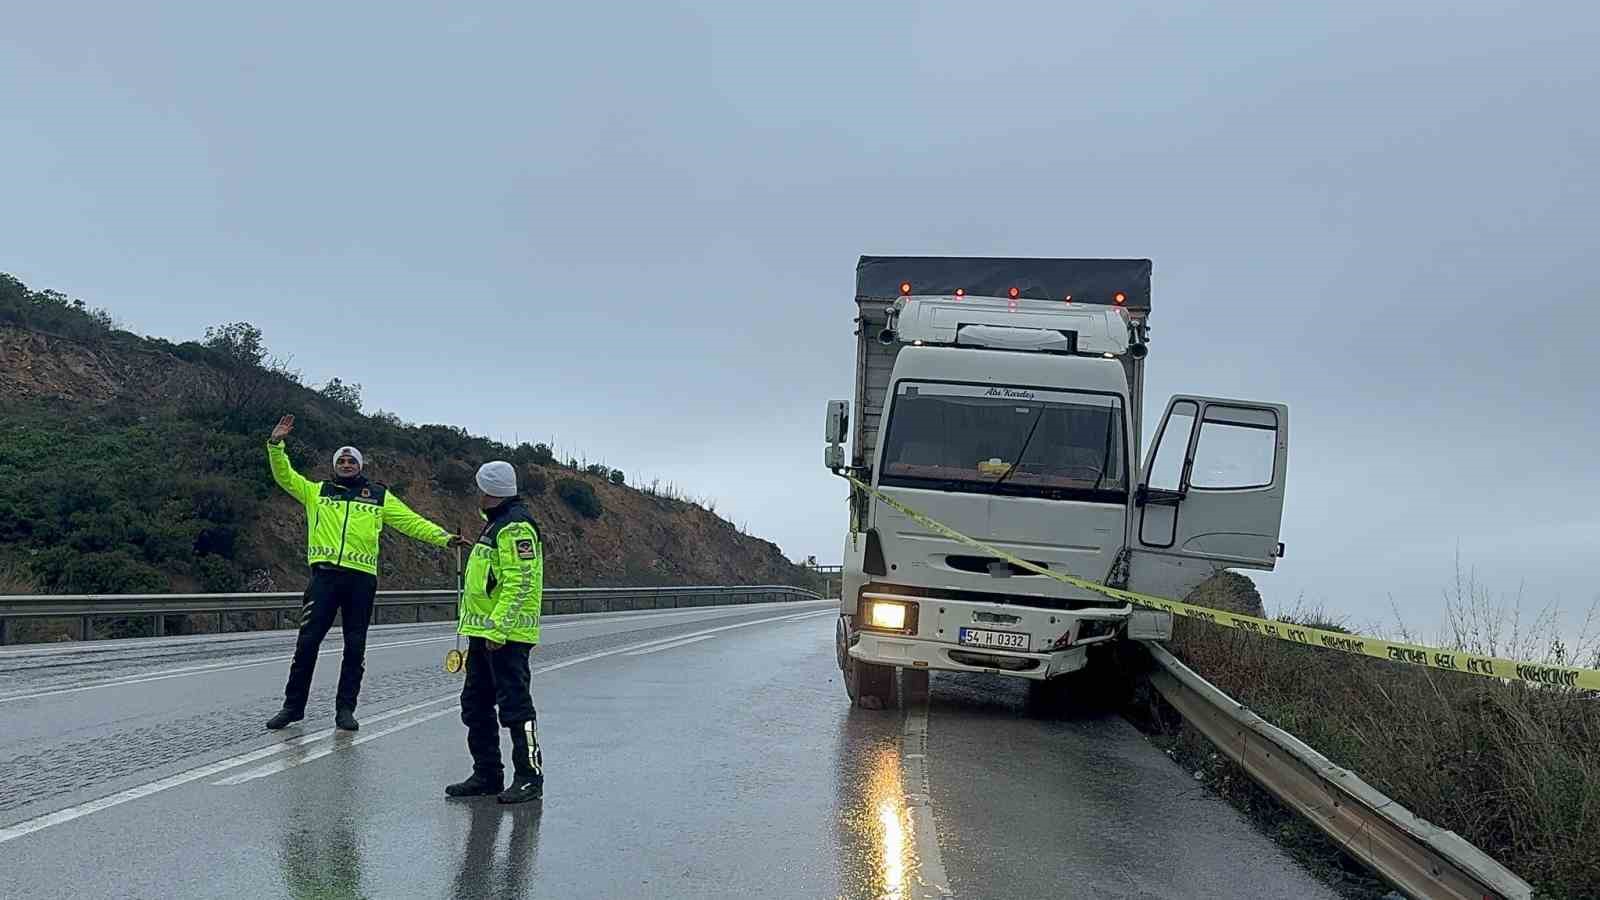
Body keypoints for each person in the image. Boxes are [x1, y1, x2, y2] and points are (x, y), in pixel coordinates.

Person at [263, 414, 462, 731]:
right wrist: (276, 444)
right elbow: (285, 476)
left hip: (361, 581)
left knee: (355, 648)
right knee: (307, 644)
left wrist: (443, 538)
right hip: (324, 579)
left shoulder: (378, 496)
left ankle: (345, 710)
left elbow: (410, 521)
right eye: (340, 460)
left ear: (360, 465)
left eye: (350, 460)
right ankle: (292, 707)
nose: (345, 464)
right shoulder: (317, 492)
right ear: (334, 465)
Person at [445, 460, 545, 804]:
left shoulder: (515, 527)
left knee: (516, 708)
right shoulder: (496, 525)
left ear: (490, 490)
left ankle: (530, 777)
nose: (477, 492)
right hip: (483, 633)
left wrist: (499, 628)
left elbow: (521, 583)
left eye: (480, 487)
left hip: (506, 636)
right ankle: (487, 774)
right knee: (475, 705)